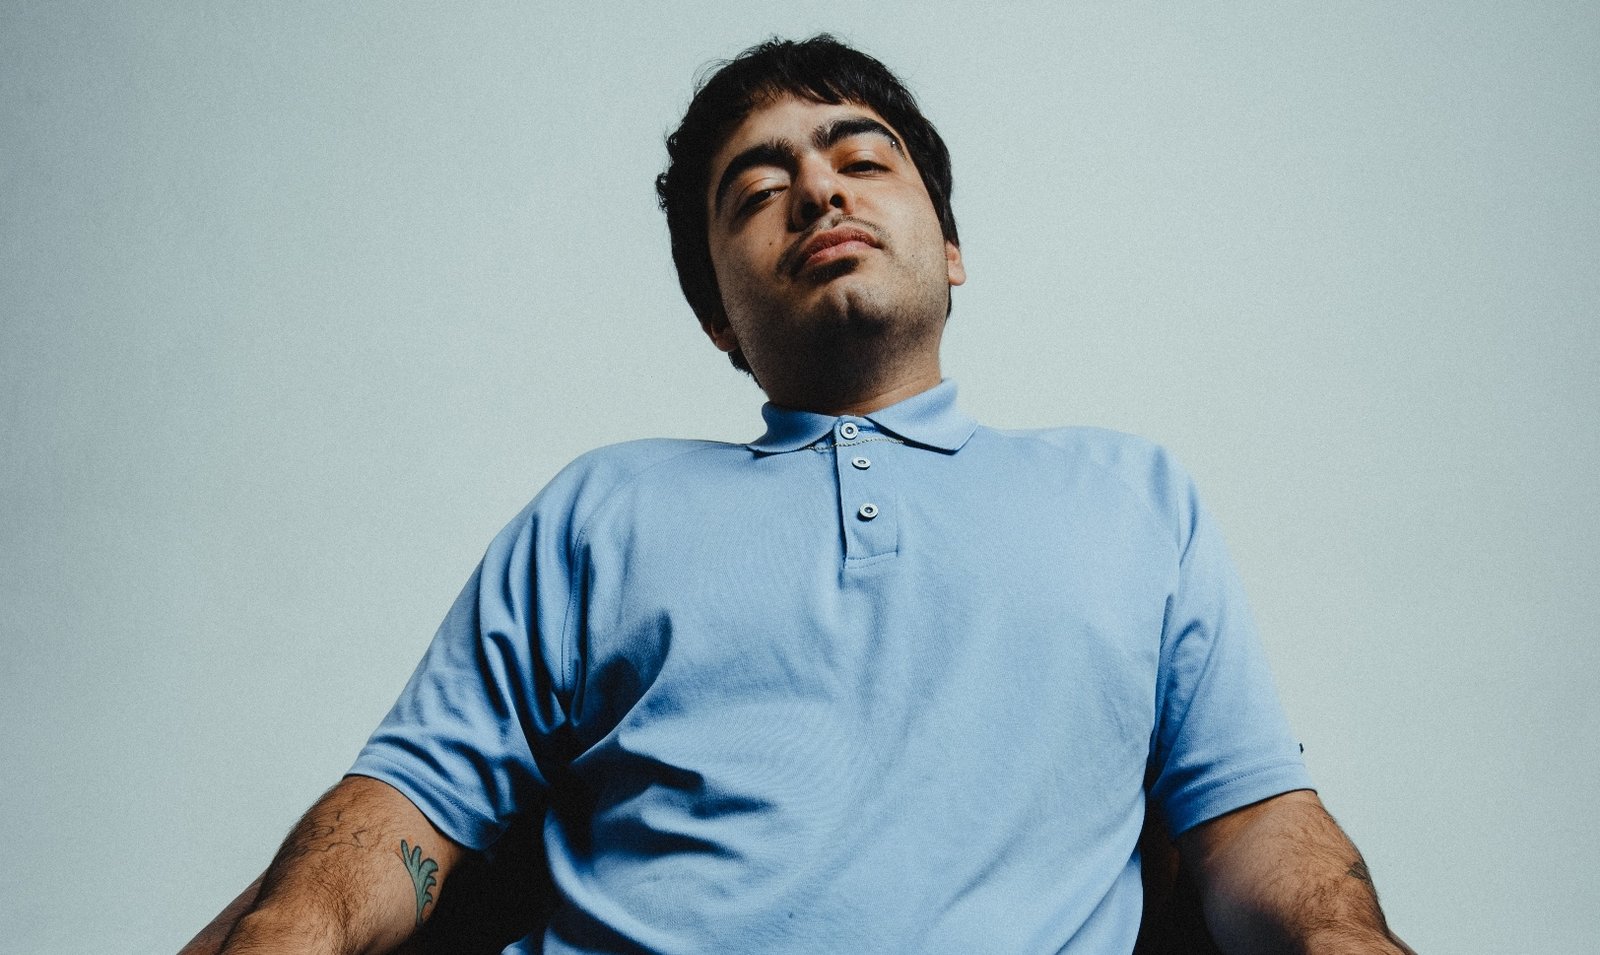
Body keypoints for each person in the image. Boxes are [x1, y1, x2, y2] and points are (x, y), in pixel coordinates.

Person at [187, 35, 1413, 955]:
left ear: (951, 250)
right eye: (758, 190)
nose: (821, 192)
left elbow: (1247, 820)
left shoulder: (1132, 494)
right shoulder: (601, 507)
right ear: (718, 318)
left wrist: (1342, 932)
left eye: (861, 160)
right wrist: (288, 929)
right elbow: (413, 807)